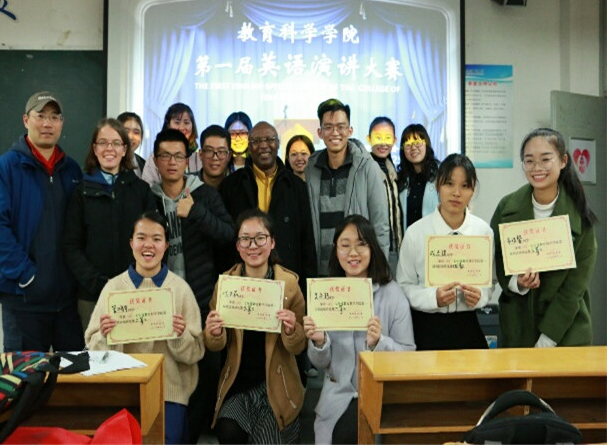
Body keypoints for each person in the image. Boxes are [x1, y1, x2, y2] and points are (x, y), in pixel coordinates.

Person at [0, 91, 84, 352]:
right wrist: (25, 275)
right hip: (22, 301)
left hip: (67, 305)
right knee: (24, 376)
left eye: (54, 117)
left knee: (75, 376)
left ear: (62, 123)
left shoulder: (71, 170)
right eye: (40, 116)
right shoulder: (5, 169)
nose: (47, 123)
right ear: (26, 120)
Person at [85, 211, 204, 445]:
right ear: (131, 243)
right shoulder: (113, 288)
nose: (148, 245)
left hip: (169, 391)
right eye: (141, 238)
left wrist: (179, 336)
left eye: (157, 239)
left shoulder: (180, 289)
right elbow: (92, 350)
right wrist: (105, 336)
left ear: (166, 245)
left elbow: (196, 353)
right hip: (122, 389)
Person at [149, 128, 235, 443]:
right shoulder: (148, 197)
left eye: (178, 156)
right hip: (159, 303)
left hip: (199, 300)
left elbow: (229, 234)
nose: (172, 162)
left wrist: (196, 212)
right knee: (167, 377)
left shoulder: (205, 195)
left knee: (203, 377)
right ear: (155, 160)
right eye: (165, 156)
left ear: (188, 160)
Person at [304, 215, 415, 444]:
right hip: (336, 397)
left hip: (380, 395)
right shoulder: (326, 294)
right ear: (335, 250)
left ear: (372, 248)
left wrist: (379, 343)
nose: (353, 253)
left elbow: (408, 356)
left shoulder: (393, 294)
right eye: (345, 245)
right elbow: (320, 363)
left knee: (350, 433)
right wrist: (319, 342)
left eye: (361, 244)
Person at [204, 209, 306, 444]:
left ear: (272, 242)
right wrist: (214, 333)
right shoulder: (226, 284)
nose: (253, 246)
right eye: (245, 239)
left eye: (260, 238)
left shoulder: (289, 284)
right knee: (228, 429)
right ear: (237, 245)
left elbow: (300, 346)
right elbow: (214, 344)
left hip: (277, 384)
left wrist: (291, 330)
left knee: (268, 438)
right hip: (238, 383)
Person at [491, 128, 597, 348]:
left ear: (563, 161)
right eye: (529, 161)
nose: (537, 168)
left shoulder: (580, 216)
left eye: (545, 159)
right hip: (518, 327)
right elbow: (496, 259)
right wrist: (516, 282)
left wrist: (548, 339)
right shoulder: (506, 207)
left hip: (566, 332)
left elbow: (573, 289)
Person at [63, 118, 157, 331]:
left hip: (136, 293)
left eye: (116, 143)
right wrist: (98, 283)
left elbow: (154, 241)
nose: (109, 149)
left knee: (137, 351)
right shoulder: (81, 192)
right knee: (97, 351)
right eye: (103, 142)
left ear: (124, 150)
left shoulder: (141, 191)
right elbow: (71, 246)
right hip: (93, 296)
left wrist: (139, 279)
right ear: (94, 149)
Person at [396, 153, 493, 350]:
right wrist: (434, 298)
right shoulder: (415, 233)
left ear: (473, 190)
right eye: (449, 184)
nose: (456, 193)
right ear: (437, 185)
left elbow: (491, 282)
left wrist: (480, 296)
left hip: (468, 325)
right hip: (426, 326)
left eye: (465, 186)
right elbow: (404, 285)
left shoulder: (483, 232)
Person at [219, 121, 317, 295]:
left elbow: (307, 240)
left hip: (287, 275)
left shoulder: (297, 186)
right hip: (243, 279)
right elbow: (225, 239)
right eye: (256, 141)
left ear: (278, 144)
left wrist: (308, 288)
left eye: (270, 140)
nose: (264, 145)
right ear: (249, 147)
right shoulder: (231, 186)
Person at [306, 98, 389, 277]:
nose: (335, 133)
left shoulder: (367, 168)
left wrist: (379, 272)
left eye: (341, 127)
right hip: (320, 273)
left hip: (357, 271)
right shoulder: (310, 169)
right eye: (328, 127)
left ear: (350, 130)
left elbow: (380, 225)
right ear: (320, 132)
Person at [367, 116, 403, 275]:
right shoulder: (365, 169)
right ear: (369, 139)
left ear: (394, 140)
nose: (383, 143)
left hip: (396, 245)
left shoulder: (393, 170)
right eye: (378, 137)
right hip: (374, 246)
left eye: (387, 138)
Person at [142, 103, 201, 184]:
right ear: (168, 125)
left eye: (186, 123)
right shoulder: (157, 155)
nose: (182, 127)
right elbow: (147, 185)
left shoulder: (199, 156)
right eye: (177, 122)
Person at [397, 123, 440, 232]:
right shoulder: (400, 178)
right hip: (408, 239)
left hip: (433, 239)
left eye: (417, 143)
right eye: (408, 145)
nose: (413, 148)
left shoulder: (440, 175)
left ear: (426, 144)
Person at [196, 124, 232, 189]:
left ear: (229, 156)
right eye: (209, 151)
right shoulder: (187, 184)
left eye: (221, 151)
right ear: (200, 154)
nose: (215, 158)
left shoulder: (237, 186)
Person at [117, 111, 146, 176]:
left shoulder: (144, 164)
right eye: (126, 131)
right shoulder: (110, 162)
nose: (130, 137)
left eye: (136, 132)